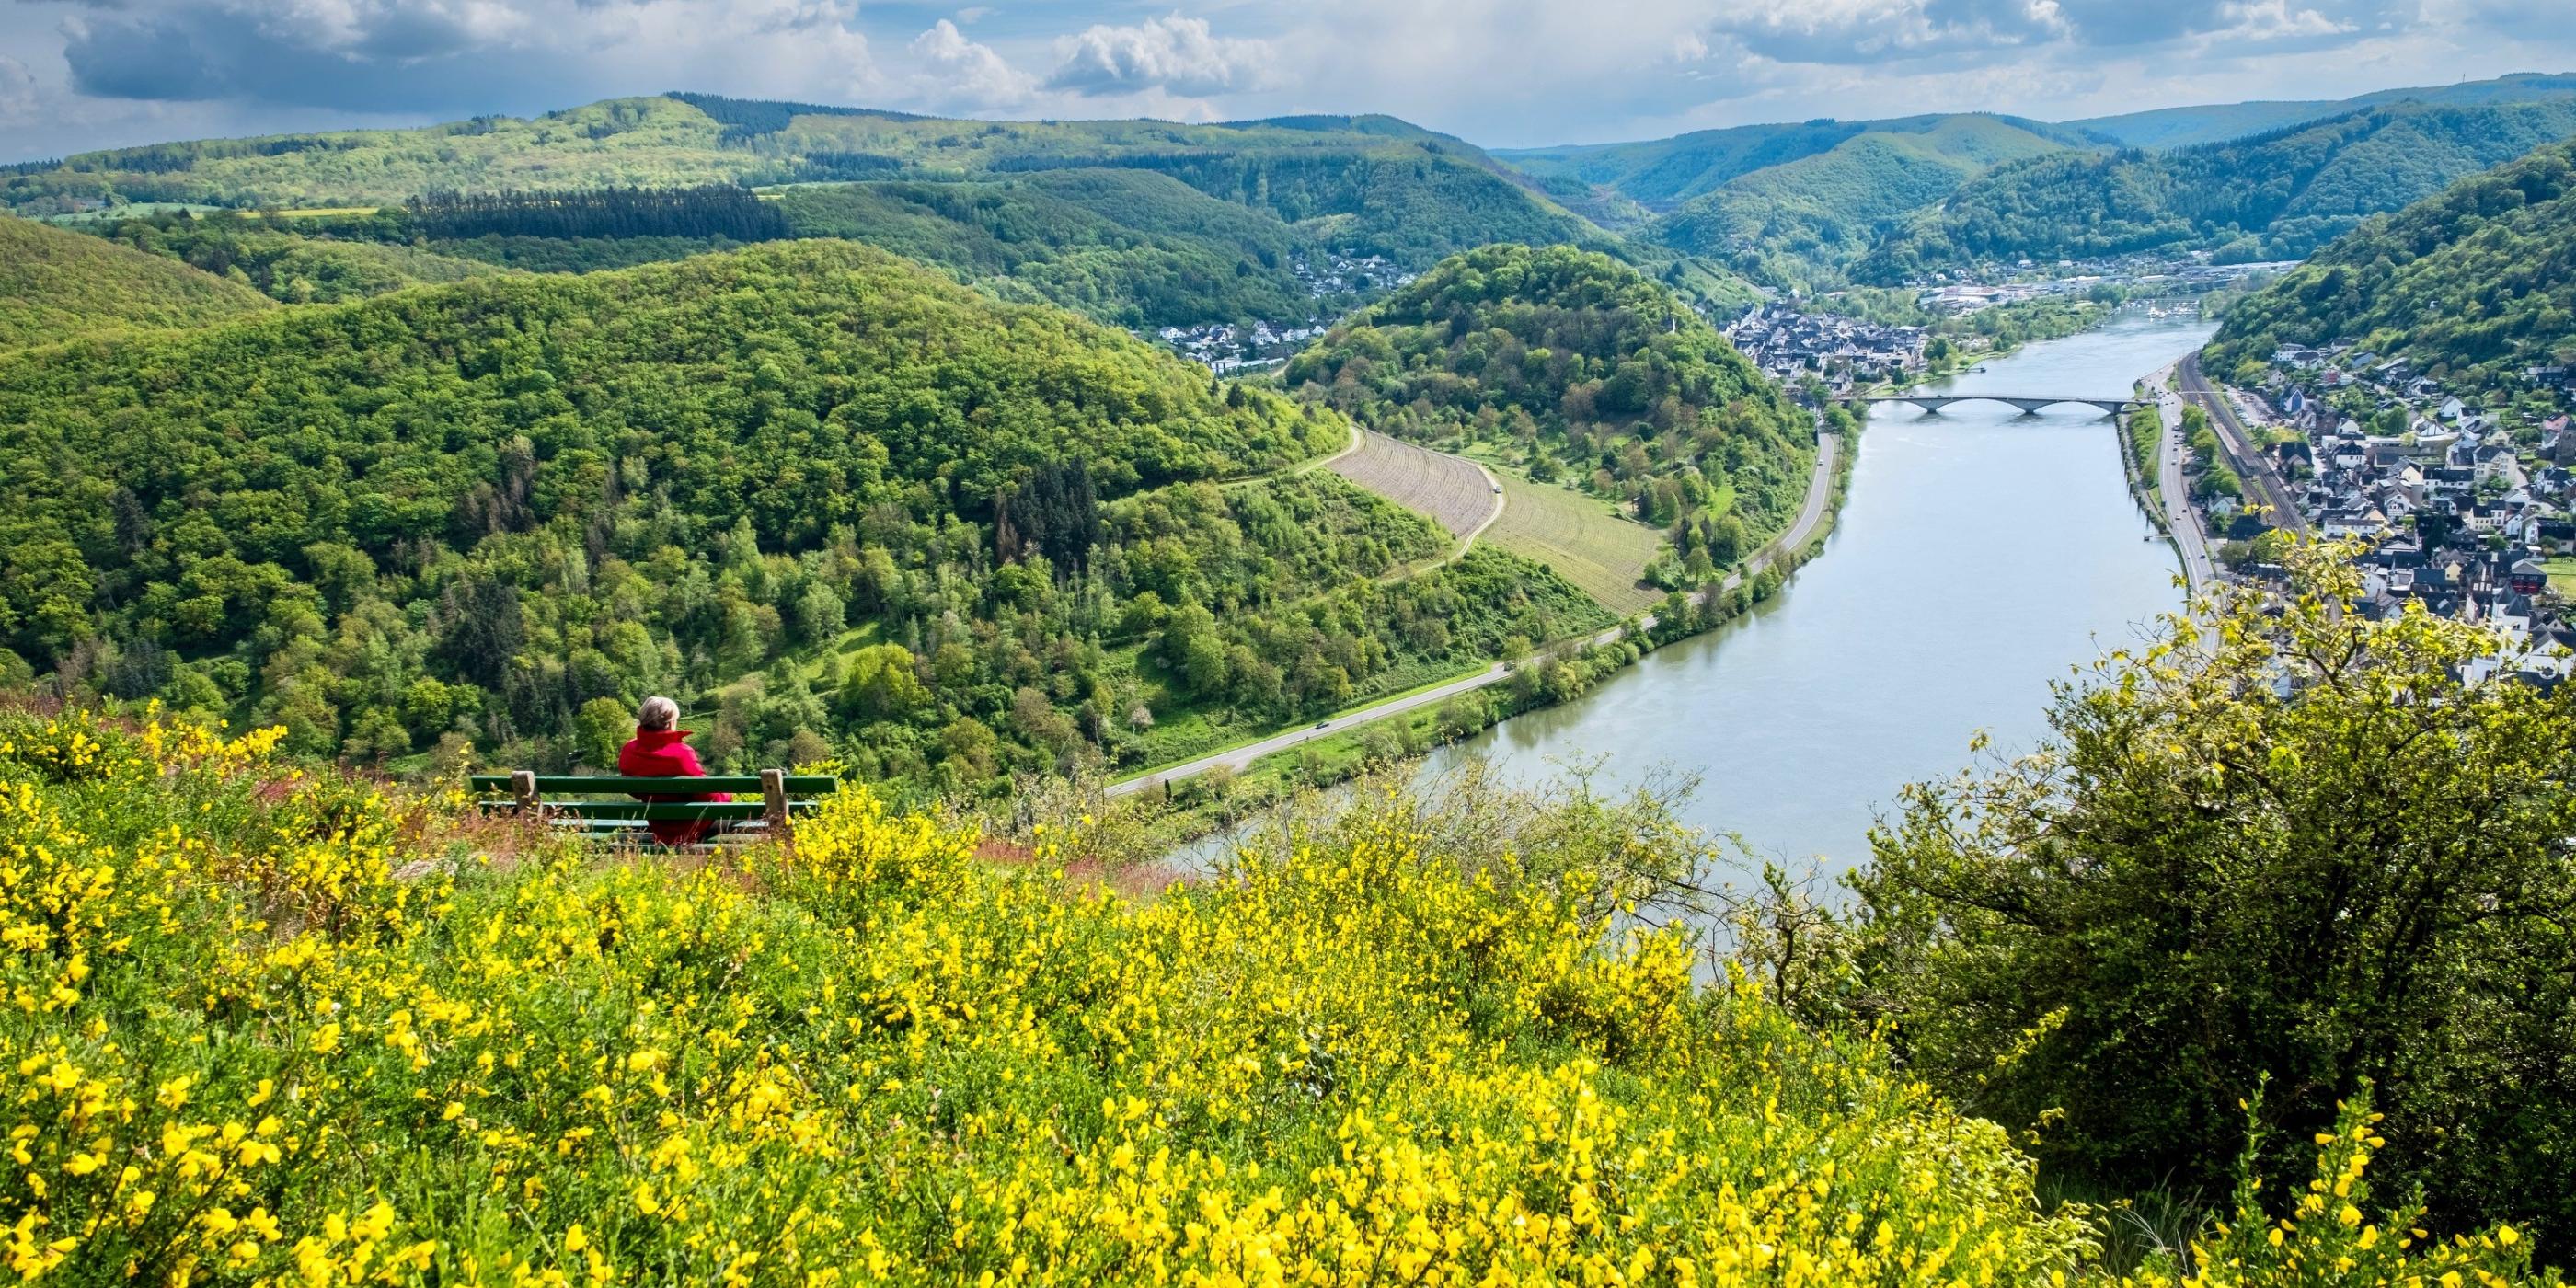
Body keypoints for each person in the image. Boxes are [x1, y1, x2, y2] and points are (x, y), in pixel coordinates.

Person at [615, 696, 732, 846]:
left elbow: (633, 789)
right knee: (744, 813)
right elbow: (709, 797)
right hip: (691, 827)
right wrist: (727, 795)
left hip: (659, 825)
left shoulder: (629, 750)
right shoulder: (682, 754)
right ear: (671, 722)